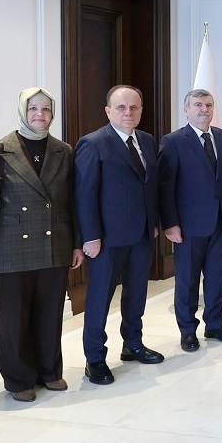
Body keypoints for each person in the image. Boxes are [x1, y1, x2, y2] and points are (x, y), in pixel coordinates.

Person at [0, 88, 83, 401]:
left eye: (46, 109)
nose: (40, 115)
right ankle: (19, 379)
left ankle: (49, 371)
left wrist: (76, 244)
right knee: (13, 318)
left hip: (54, 243)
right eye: (33, 108)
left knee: (50, 313)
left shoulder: (63, 150)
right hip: (8, 247)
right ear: (23, 110)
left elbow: (73, 202)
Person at [74, 85, 164, 384]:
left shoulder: (147, 140)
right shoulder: (93, 143)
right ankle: (94, 358)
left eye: (134, 107)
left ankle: (133, 344)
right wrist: (90, 236)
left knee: (137, 294)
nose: (128, 112)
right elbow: (84, 194)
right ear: (108, 111)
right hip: (106, 239)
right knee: (100, 298)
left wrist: (153, 222)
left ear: (141, 110)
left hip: (141, 234)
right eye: (121, 107)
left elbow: (149, 187)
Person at [159, 89, 222, 352]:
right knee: (188, 281)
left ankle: (215, 324)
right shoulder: (173, 141)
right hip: (188, 225)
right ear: (186, 110)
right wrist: (170, 223)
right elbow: (165, 186)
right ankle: (187, 330)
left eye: (208, 105)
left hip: (221, 221)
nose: (204, 109)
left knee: (217, 277)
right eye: (197, 105)